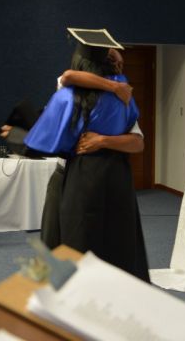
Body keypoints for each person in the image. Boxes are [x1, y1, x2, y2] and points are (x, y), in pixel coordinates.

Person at [24, 29, 150, 281]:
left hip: (79, 174)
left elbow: (138, 143)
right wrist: (116, 84)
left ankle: (67, 289)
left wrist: (101, 141)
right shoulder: (123, 98)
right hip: (115, 176)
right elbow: (70, 76)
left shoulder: (66, 95)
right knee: (116, 240)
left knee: (75, 238)